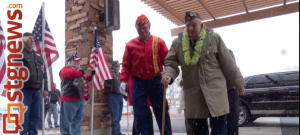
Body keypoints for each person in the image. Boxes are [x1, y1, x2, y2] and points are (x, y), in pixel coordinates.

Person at [161, 12, 246, 135]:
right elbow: (170, 62)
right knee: (198, 131)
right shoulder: (178, 43)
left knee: (219, 130)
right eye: (188, 25)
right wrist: (168, 75)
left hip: (216, 93)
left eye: (194, 25)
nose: (191, 28)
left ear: (201, 25)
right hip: (194, 95)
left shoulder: (214, 38)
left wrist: (239, 84)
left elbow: (228, 63)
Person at [120, 14, 172, 135]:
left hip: (156, 80)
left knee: (161, 111)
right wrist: (123, 81)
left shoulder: (158, 42)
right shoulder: (130, 45)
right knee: (140, 113)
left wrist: (168, 74)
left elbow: (168, 62)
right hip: (138, 82)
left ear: (149, 27)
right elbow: (126, 66)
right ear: (136, 29)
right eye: (140, 29)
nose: (142, 31)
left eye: (145, 28)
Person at [19, 32, 49, 135]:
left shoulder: (38, 55)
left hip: (37, 90)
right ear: (24, 40)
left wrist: (45, 88)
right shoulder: (19, 54)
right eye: (30, 39)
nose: (33, 41)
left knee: (35, 115)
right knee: (24, 115)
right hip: (24, 89)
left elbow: (44, 73)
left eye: (33, 39)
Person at [59, 54, 93, 135]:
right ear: (70, 61)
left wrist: (91, 76)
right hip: (70, 99)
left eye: (78, 60)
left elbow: (83, 79)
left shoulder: (79, 72)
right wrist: (81, 72)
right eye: (76, 60)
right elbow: (71, 73)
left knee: (77, 121)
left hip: (80, 99)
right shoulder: (65, 69)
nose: (78, 62)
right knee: (66, 122)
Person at [105, 60, 126, 135]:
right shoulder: (111, 73)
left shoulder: (119, 74)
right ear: (114, 66)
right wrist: (113, 69)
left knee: (119, 116)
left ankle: (117, 131)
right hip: (113, 95)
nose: (119, 67)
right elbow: (113, 80)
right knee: (115, 115)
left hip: (120, 96)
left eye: (119, 66)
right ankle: (115, 132)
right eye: (117, 66)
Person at [227, 49, 240, 135]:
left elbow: (233, 70)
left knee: (232, 122)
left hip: (231, 92)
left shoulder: (227, 52)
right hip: (221, 92)